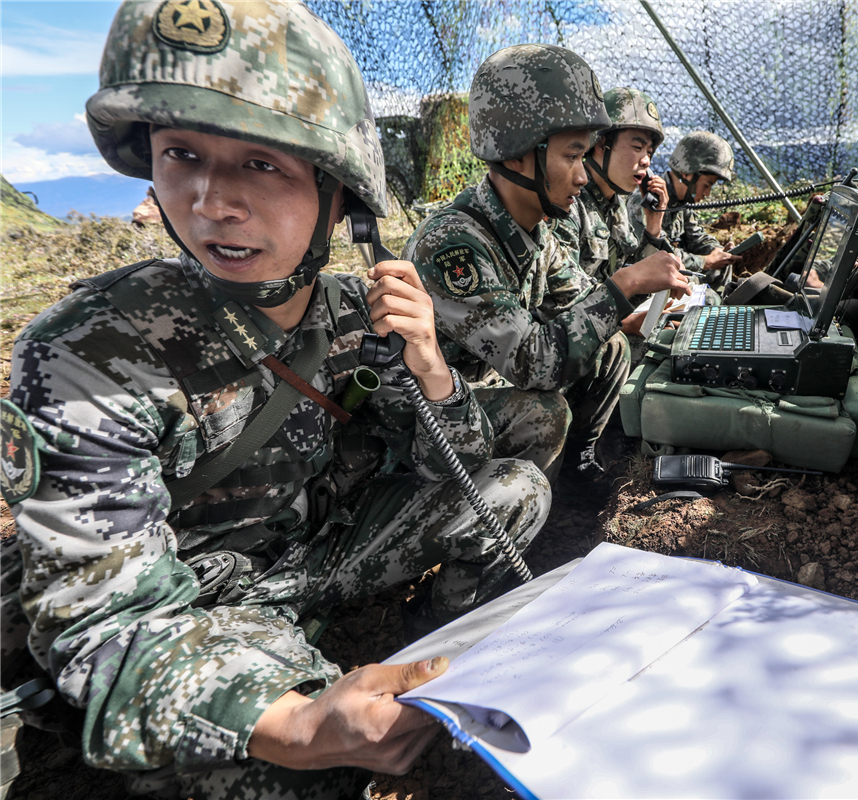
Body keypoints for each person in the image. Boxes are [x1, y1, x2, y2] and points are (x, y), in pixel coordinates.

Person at [1, 2, 549, 798]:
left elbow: (459, 464)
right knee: (291, 775)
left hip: (312, 562)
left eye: (262, 164)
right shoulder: (88, 348)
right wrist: (290, 723)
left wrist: (430, 364)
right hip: (198, 613)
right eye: (181, 154)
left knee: (514, 495)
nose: (212, 200)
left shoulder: (357, 313)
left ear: (340, 198)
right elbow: (99, 627)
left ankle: (440, 686)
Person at [403, 45, 689, 480]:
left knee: (607, 348)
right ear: (518, 151)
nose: (580, 175)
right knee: (544, 412)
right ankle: (518, 521)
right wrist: (626, 284)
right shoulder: (453, 244)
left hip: (491, 387)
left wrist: (628, 296)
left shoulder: (535, 231)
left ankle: (573, 478)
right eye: (572, 156)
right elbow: (532, 362)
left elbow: (584, 304)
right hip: (435, 421)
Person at [552, 87, 672, 284]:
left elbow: (634, 272)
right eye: (637, 148)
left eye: (649, 152)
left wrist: (653, 227)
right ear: (600, 145)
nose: (646, 161)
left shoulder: (616, 206)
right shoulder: (568, 203)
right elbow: (569, 299)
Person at [630, 130, 743, 274]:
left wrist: (717, 251)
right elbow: (655, 253)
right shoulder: (648, 199)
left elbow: (696, 236)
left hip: (673, 270)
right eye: (706, 185)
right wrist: (705, 262)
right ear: (686, 173)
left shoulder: (684, 201)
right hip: (649, 273)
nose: (707, 194)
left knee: (720, 268)